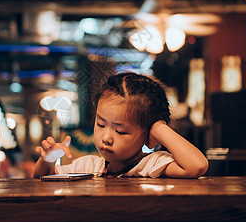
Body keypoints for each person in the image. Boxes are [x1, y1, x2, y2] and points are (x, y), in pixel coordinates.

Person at [33, 72, 209, 178]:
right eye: (101, 124)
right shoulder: (89, 166)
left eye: (120, 131)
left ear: (148, 135)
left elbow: (197, 166)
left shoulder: (152, 165)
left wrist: (158, 128)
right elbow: (43, 180)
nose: (107, 138)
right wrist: (47, 160)